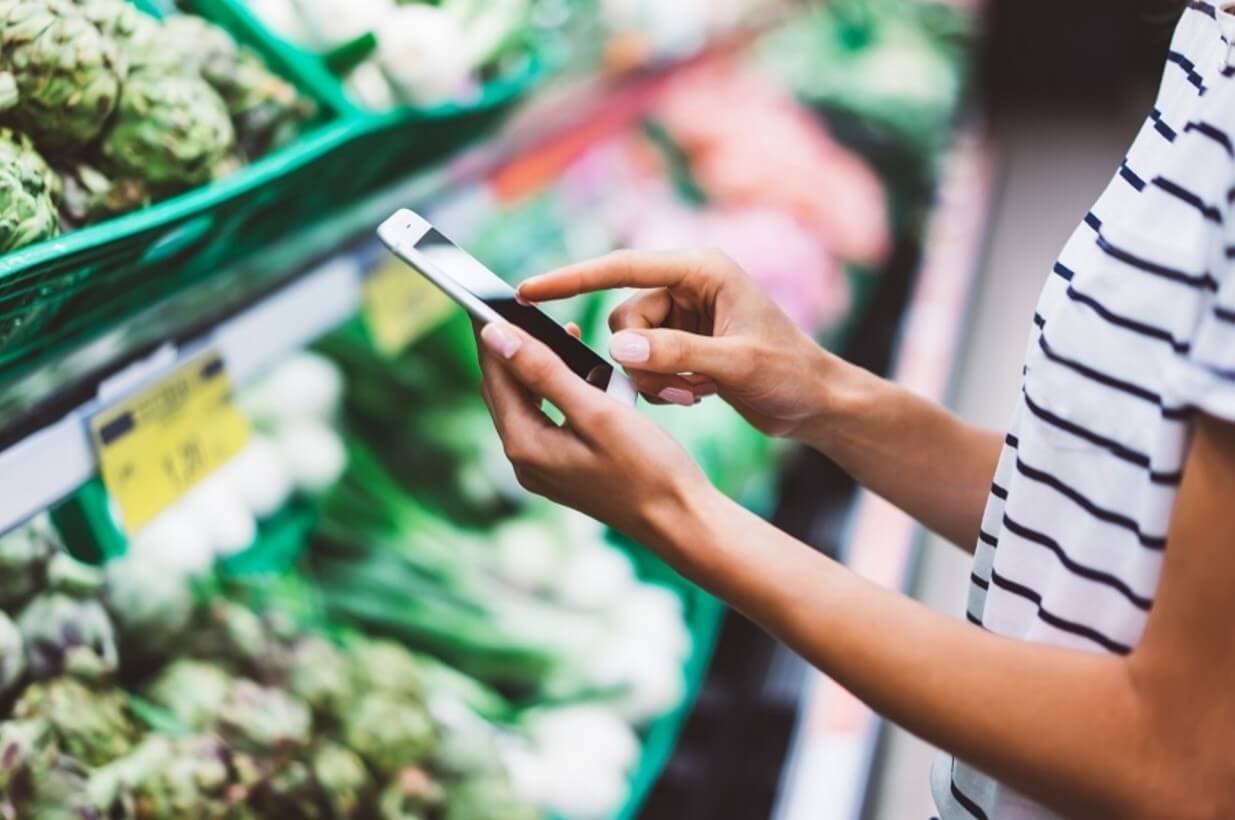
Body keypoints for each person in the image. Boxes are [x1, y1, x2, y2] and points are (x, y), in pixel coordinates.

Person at [472, 3, 1235, 818]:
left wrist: (678, 514)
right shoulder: (1212, 40)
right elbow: (1109, 522)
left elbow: (1178, 758)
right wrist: (824, 398)